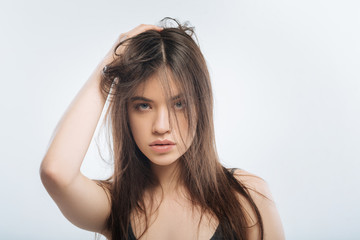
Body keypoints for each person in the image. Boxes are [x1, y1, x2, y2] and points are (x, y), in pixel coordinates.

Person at [40, 18, 285, 240]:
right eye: (144, 106)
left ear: (201, 106)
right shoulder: (115, 205)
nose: (161, 127)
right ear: (125, 113)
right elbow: (56, 172)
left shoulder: (246, 197)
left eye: (179, 104)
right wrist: (110, 65)